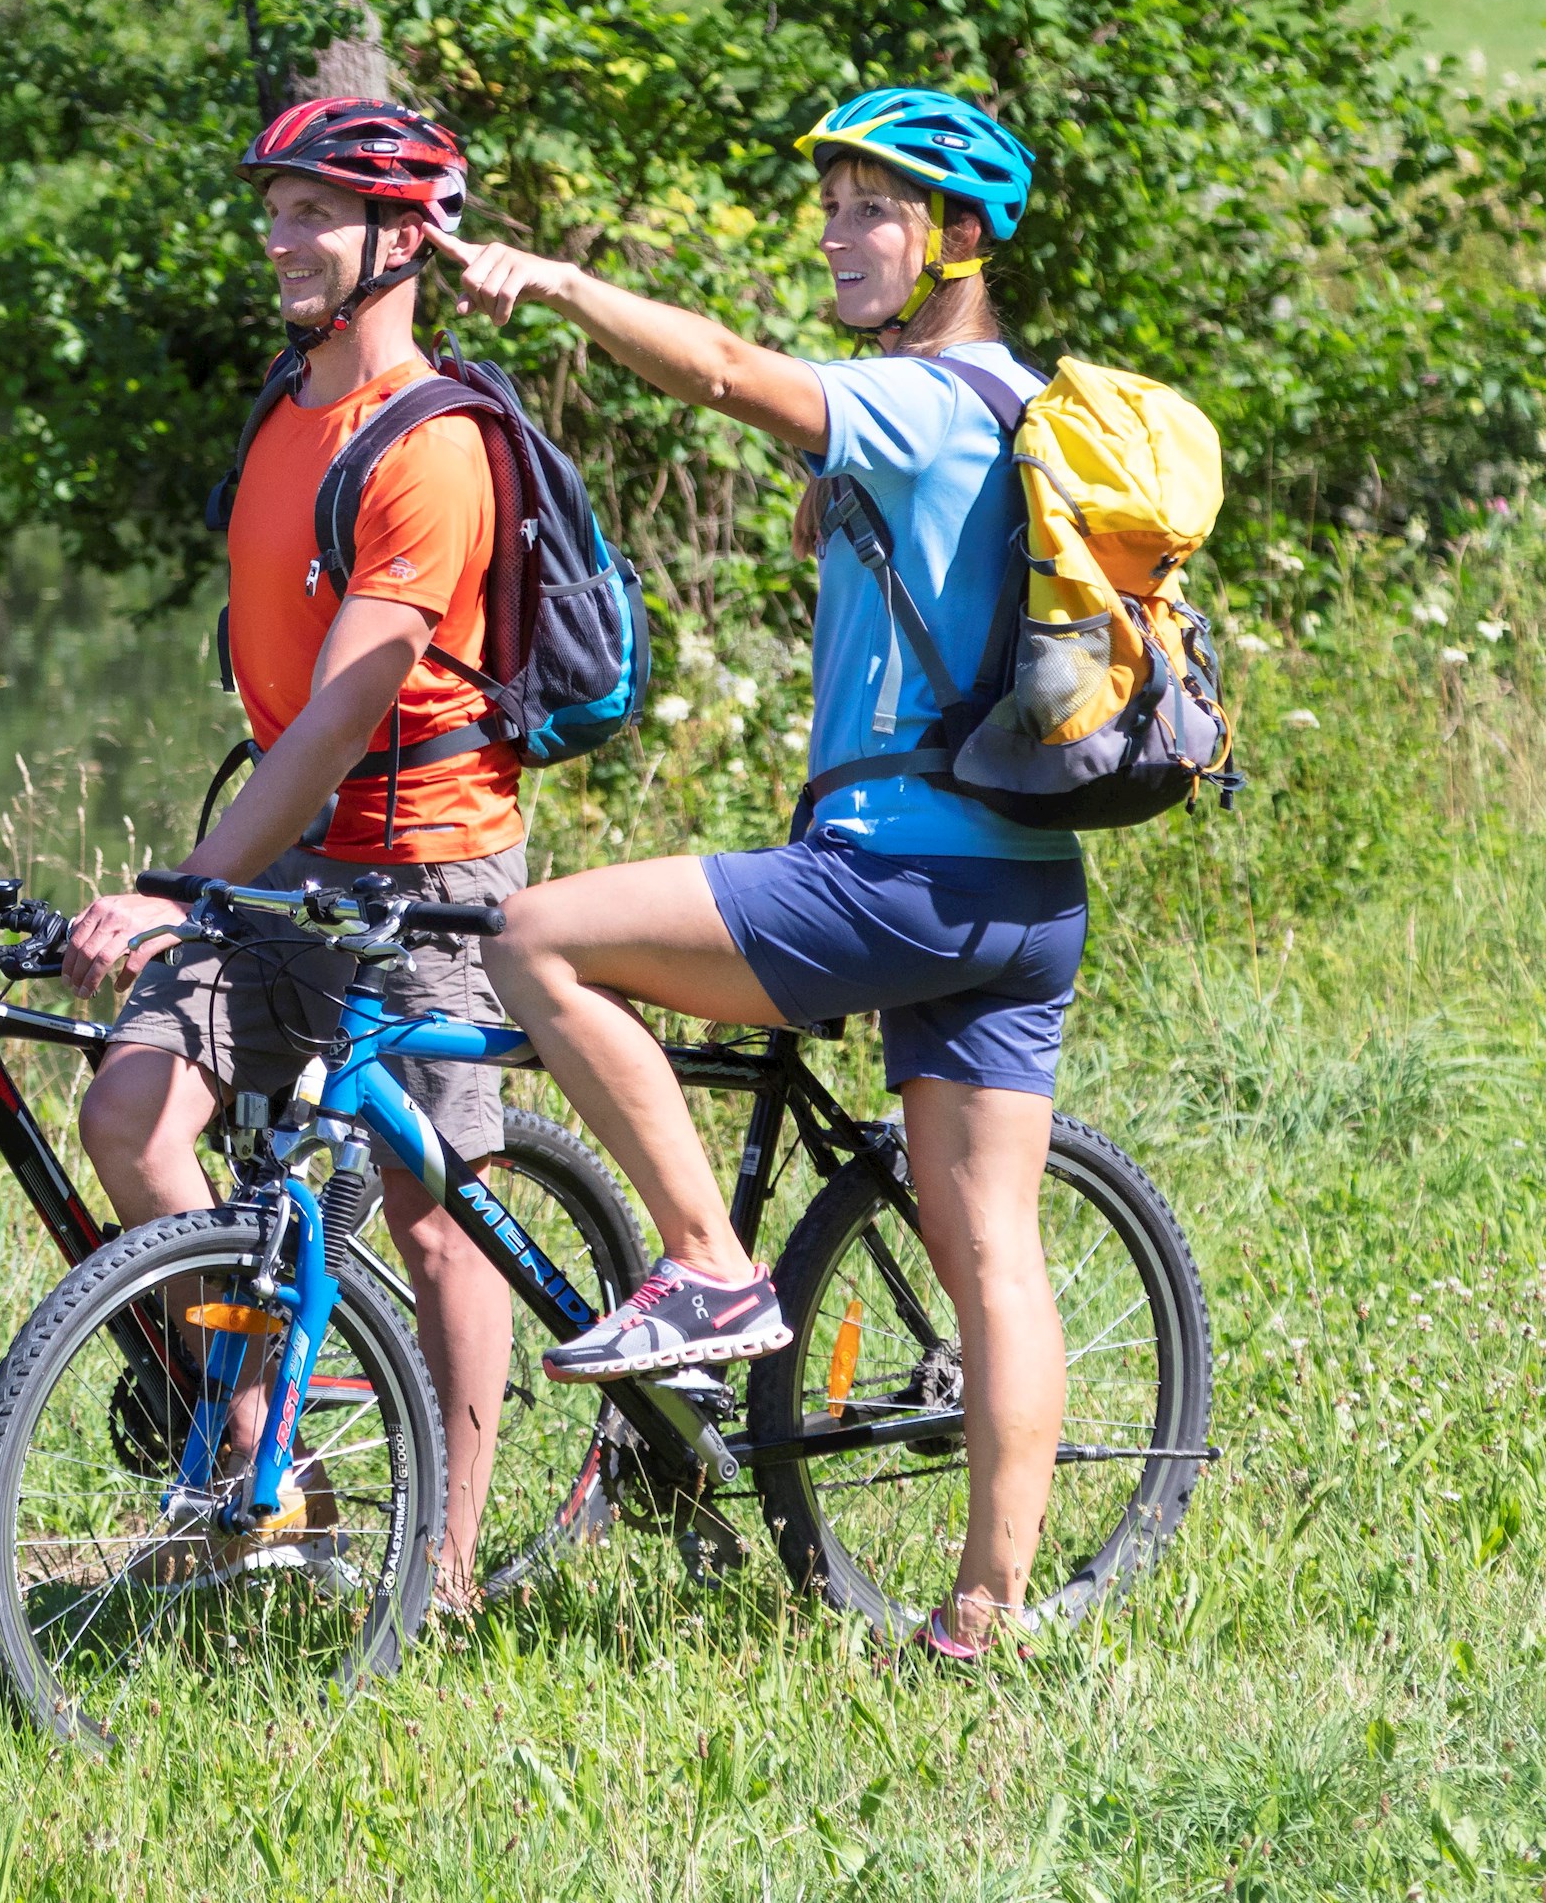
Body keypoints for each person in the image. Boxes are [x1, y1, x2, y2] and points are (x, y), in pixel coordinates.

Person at [423, 86, 1077, 1664]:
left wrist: (560, 282)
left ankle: (711, 1266)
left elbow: (727, 372)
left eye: (874, 208)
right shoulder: (1002, 407)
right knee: (988, 1239)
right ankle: (985, 1603)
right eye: (836, 203)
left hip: (898, 874)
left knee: (537, 936)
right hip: (1024, 895)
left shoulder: (934, 401)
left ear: (959, 239)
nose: (839, 234)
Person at [56, 95, 527, 1611]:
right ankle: (284, 1470)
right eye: (275, 205)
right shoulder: (287, 405)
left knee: (431, 1204)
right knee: (131, 1111)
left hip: (420, 873)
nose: (281, 234)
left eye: (316, 209)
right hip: (282, 864)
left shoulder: (436, 444)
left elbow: (339, 718)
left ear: (404, 237)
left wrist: (176, 885)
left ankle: (443, 1567)